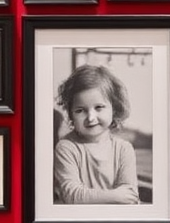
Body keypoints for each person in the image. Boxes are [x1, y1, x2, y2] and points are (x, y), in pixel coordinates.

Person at [53, 64, 140, 204]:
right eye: (80, 110)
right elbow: (72, 196)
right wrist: (115, 196)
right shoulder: (66, 148)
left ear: (114, 107)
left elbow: (130, 196)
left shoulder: (124, 149)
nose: (91, 118)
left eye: (99, 107)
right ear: (70, 114)